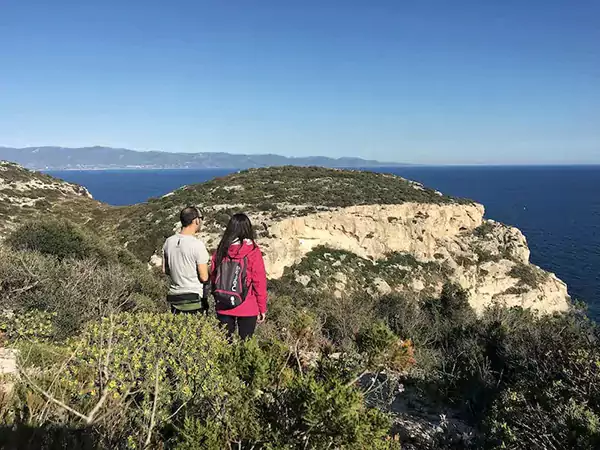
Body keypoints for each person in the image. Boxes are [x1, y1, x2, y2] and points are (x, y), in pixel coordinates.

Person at [210, 213, 267, 339]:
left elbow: (213, 275)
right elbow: (259, 282)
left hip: (223, 303)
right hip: (247, 305)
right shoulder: (252, 251)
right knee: (246, 345)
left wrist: (217, 295)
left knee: (224, 344)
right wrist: (262, 307)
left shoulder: (221, 249)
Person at [162, 206, 210, 314]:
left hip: (174, 297)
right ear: (196, 220)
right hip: (193, 298)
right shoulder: (197, 245)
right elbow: (204, 277)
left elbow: (165, 270)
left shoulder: (168, 242)